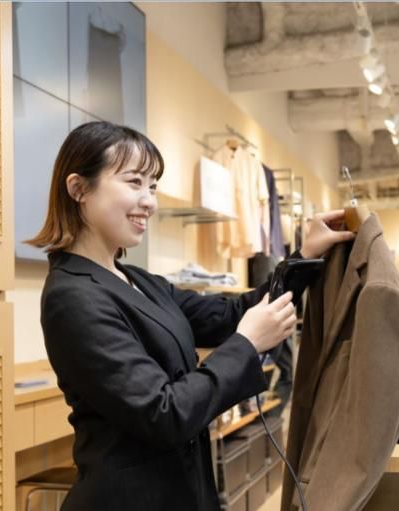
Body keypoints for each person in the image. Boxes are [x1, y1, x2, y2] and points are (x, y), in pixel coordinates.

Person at [27, 121, 355, 511]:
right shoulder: (72, 296)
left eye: (153, 187)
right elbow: (163, 413)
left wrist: (304, 256)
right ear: (78, 189)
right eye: (134, 182)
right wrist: (247, 344)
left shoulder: (139, 281)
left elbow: (232, 314)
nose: (149, 201)